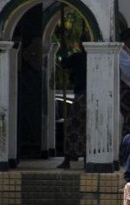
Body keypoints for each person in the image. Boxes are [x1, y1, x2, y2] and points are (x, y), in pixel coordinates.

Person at [57, 38, 87, 169]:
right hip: (90, 94)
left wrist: (64, 51)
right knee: (86, 128)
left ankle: (68, 158)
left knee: (74, 128)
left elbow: (64, 63)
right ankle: (84, 158)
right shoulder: (83, 57)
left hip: (81, 95)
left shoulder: (79, 57)